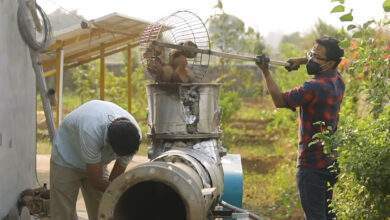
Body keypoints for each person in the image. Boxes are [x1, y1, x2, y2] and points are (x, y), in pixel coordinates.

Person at [256, 36, 345, 220]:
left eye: (316, 56)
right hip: (330, 162)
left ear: (329, 63)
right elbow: (318, 60)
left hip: (311, 166)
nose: (311, 58)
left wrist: (266, 71)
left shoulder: (314, 87)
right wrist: (301, 60)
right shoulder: (338, 80)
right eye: (311, 53)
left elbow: (279, 100)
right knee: (328, 215)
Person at [50, 100, 142, 220]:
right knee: (62, 212)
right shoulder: (91, 130)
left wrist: (119, 192)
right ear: (109, 143)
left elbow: (114, 180)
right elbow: (96, 180)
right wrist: (124, 192)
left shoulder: (133, 137)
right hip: (67, 158)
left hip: (97, 162)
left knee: (103, 210)